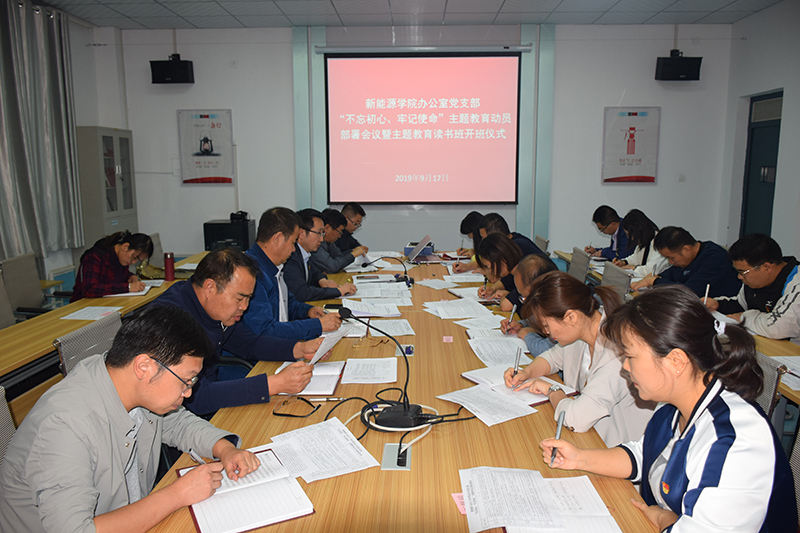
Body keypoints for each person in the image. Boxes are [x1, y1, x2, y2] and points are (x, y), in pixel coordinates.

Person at [540, 286, 796, 532]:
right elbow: (645, 455)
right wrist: (579, 458)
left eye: (630, 357)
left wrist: (665, 519)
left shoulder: (735, 441)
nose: (625, 367)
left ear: (676, 361)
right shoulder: (674, 406)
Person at [0, 306, 262, 533]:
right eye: (186, 380)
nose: (189, 392)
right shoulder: (64, 426)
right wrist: (177, 494)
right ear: (144, 367)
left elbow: (176, 422)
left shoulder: (125, 380)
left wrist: (224, 448)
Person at [153, 248, 321, 417]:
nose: (245, 306)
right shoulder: (171, 322)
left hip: (211, 403)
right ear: (210, 287)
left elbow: (248, 343)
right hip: (181, 418)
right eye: (239, 298)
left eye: (248, 298)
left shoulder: (215, 310)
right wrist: (274, 384)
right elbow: (198, 398)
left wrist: (299, 349)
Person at [504, 271, 655, 446]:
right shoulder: (583, 328)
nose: (546, 332)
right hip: (589, 435)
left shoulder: (617, 353)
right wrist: (526, 373)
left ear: (571, 317)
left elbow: (576, 419)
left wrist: (552, 390)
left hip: (612, 445)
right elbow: (551, 358)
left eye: (546, 325)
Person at [244, 207, 342, 340]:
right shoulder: (250, 273)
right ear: (278, 238)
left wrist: (308, 311)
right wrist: (317, 325)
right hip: (266, 348)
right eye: (293, 242)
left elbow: (287, 304)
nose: (294, 249)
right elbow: (265, 330)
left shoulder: (273, 265)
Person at [706, 233, 800, 344]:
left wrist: (744, 317)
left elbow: (778, 327)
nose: (739, 277)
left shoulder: (796, 283)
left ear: (767, 268)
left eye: (742, 272)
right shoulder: (755, 281)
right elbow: (742, 304)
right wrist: (717, 304)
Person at [630, 226, 741, 298]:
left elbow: (688, 291)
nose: (670, 262)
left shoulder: (715, 258)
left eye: (671, 258)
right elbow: (672, 273)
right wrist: (655, 278)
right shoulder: (686, 259)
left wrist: (655, 281)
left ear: (686, 250)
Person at [284, 208, 357, 302]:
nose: (321, 239)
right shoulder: (290, 256)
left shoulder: (305, 253)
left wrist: (322, 280)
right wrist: (338, 291)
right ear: (301, 233)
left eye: (323, 234)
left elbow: (315, 272)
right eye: (319, 233)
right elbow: (302, 293)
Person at [499, 254, 559, 357]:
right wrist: (522, 325)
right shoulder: (549, 300)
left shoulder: (560, 309)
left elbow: (548, 351)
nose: (525, 302)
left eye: (525, 297)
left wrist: (527, 334)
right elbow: (537, 319)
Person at [71, 230, 154, 301]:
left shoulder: (121, 258)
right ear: (125, 246)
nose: (133, 262)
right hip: (85, 305)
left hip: (109, 303)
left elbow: (117, 277)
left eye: (137, 260)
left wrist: (130, 276)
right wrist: (128, 287)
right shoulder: (94, 257)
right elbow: (90, 289)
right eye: (134, 257)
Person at [612, 209, 668, 277]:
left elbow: (651, 270)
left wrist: (634, 268)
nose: (631, 239)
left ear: (638, 231)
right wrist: (624, 262)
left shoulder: (660, 242)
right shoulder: (644, 240)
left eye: (630, 235)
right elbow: (636, 257)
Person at [310, 208, 367, 273]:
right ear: (327, 228)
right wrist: (353, 254)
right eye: (339, 232)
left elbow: (339, 257)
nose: (339, 236)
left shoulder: (329, 242)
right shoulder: (316, 243)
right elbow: (332, 267)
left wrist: (352, 251)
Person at [475, 233, 523, 310]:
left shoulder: (524, 274)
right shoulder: (514, 269)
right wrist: (493, 290)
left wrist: (506, 295)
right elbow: (505, 282)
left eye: (489, 267)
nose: (491, 272)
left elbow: (505, 306)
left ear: (502, 260)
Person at [477, 212, 548, 258]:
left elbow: (505, 276)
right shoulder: (513, 239)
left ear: (495, 236)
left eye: (484, 238)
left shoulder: (516, 247)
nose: (483, 241)